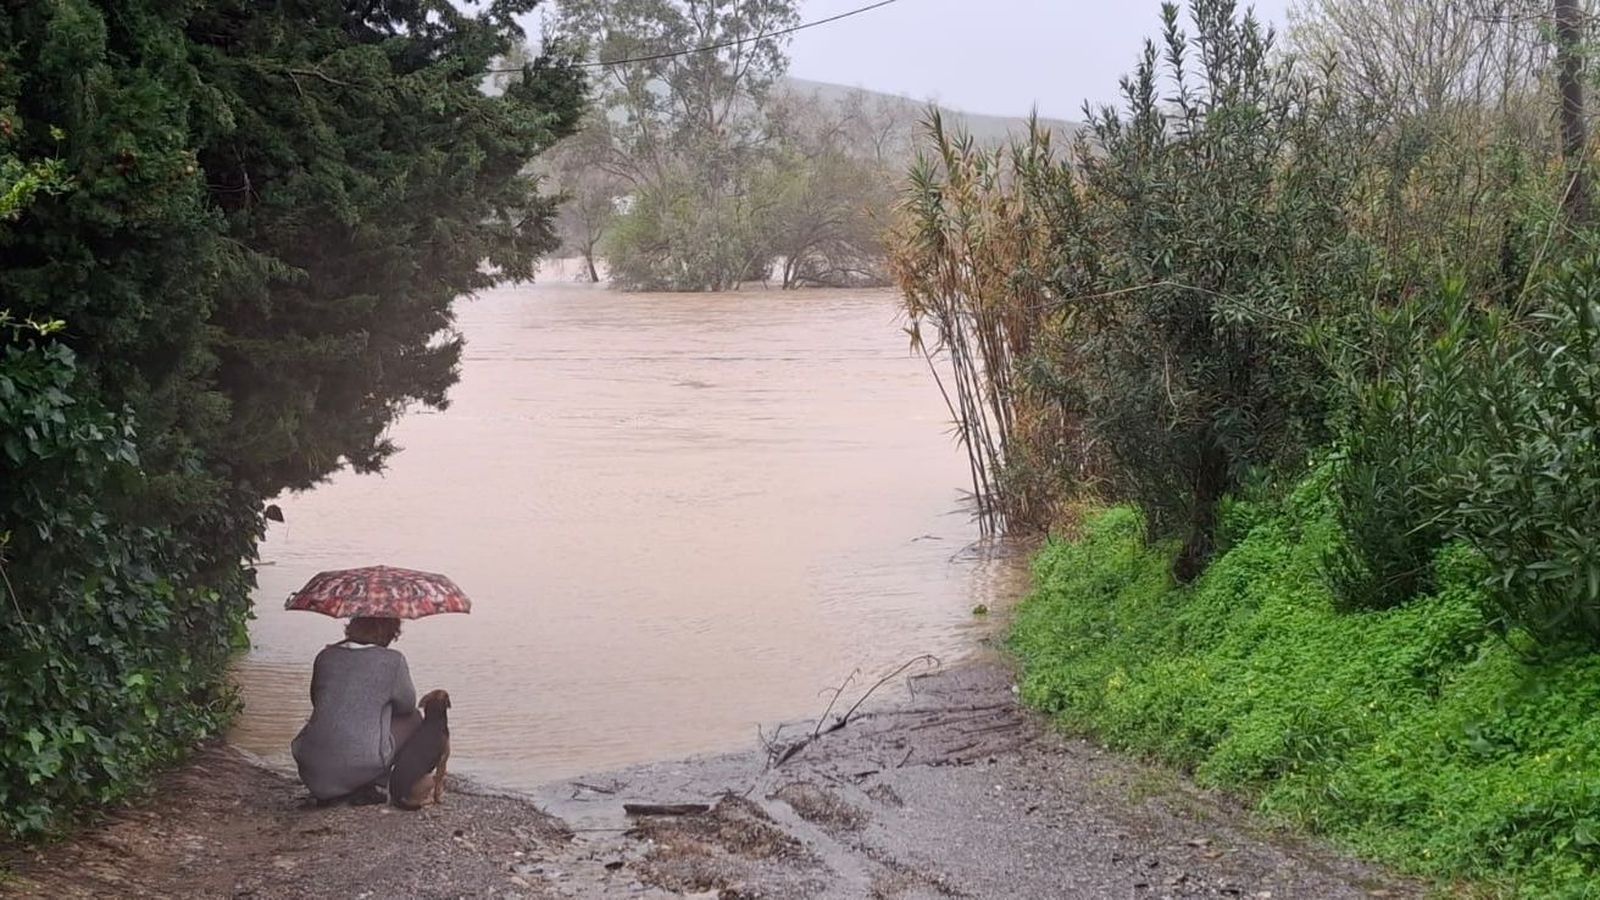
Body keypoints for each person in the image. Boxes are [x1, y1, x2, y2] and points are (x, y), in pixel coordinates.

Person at [291, 616, 423, 804]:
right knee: (415, 717)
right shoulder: (393, 660)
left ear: (352, 626)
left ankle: (348, 779)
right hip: (360, 766)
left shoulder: (325, 655)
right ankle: (378, 783)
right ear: (390, 632)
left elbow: (318, 702)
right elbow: (407, 705)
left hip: (311, 769)